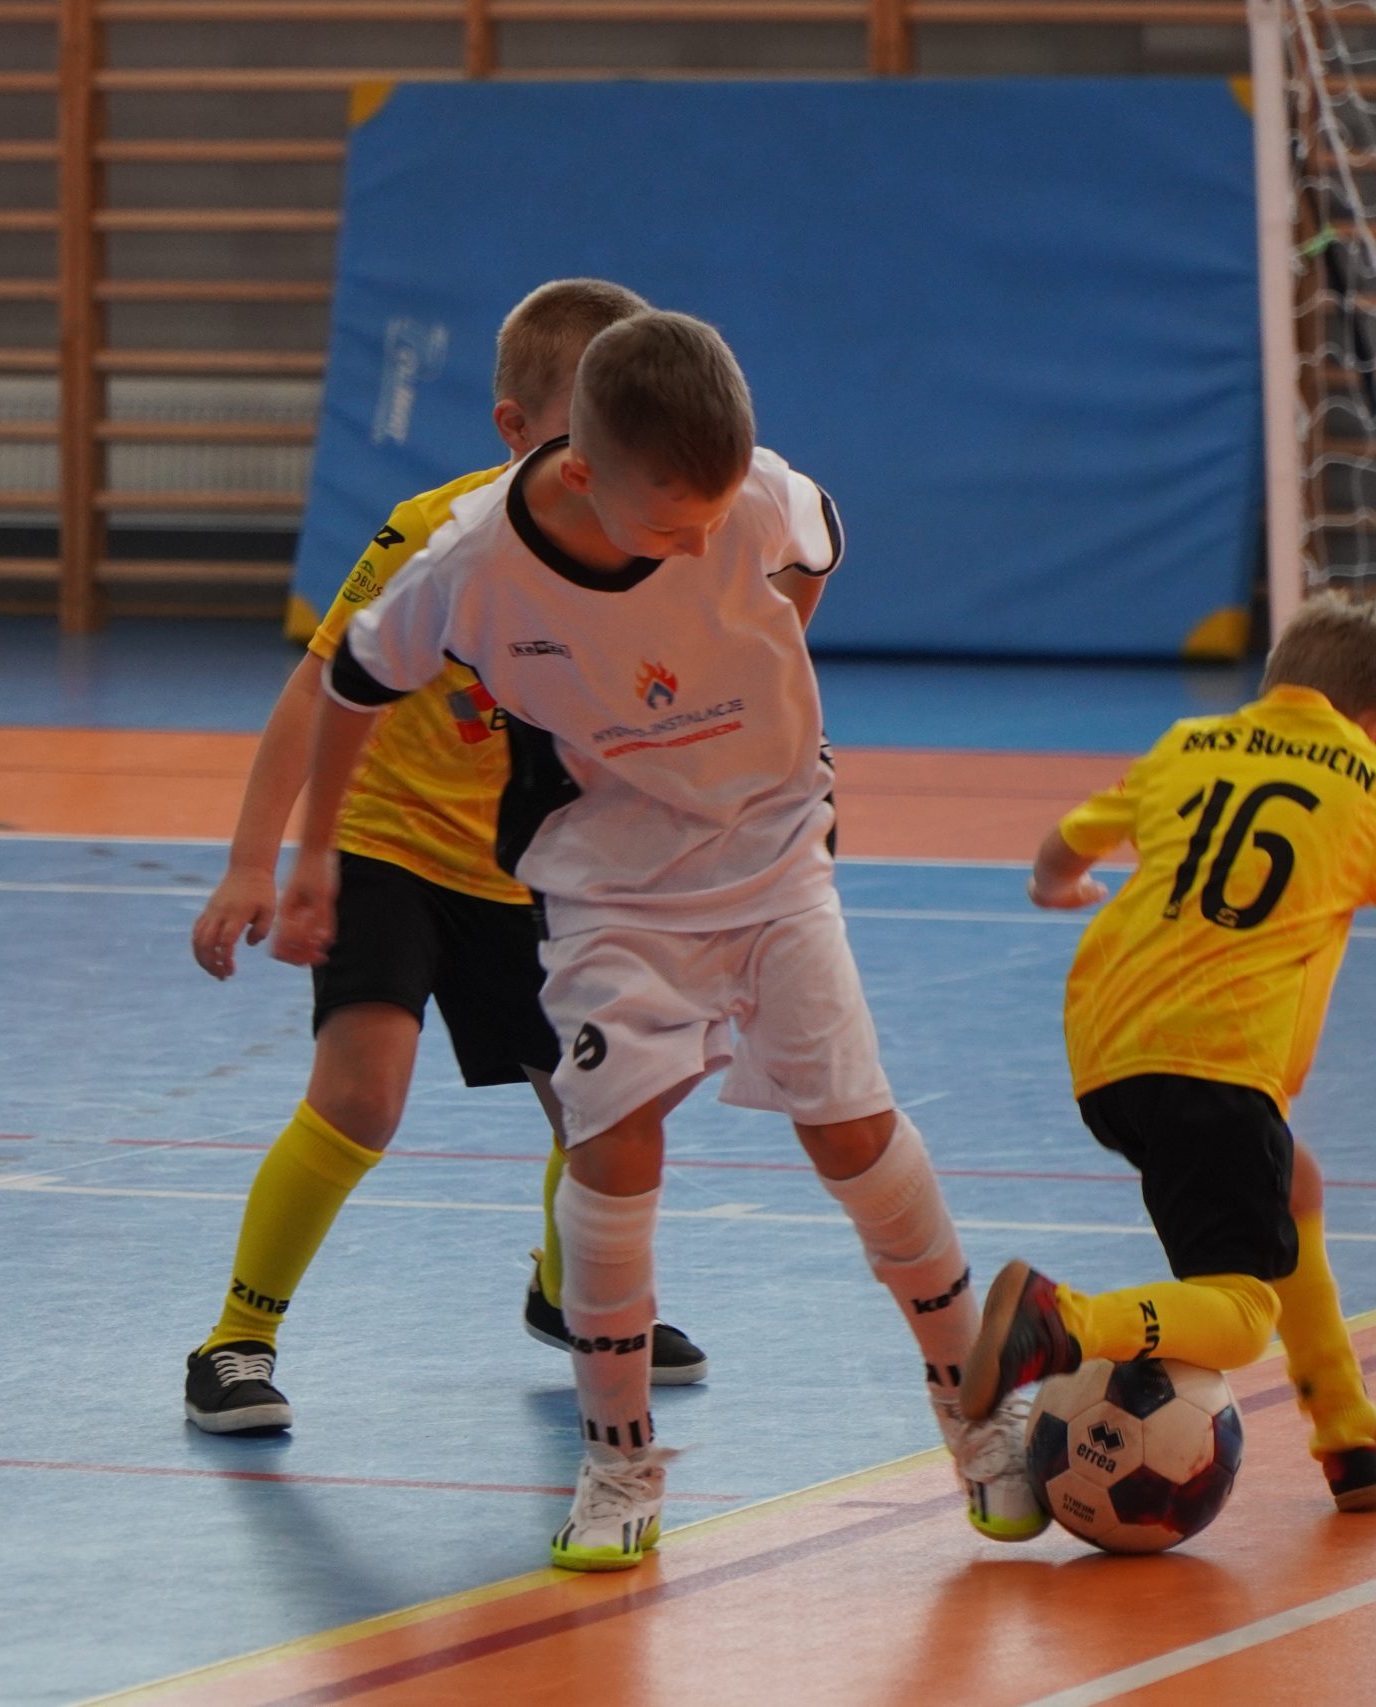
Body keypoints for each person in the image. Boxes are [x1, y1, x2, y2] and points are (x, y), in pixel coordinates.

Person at [272, 310, 1042, 1569]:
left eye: (716, 519)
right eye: (673, 527)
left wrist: (777, 636)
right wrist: (309, 859)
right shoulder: (473, 563)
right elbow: (352, 682)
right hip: (610, 886)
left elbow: (813, 538)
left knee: (851, 1131)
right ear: (582, 471)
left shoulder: (756, 495)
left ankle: (972, 1412)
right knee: (614, 1142)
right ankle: (618, 1463)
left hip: (774, 856)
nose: (699, 545)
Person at [184, 278, 707, 1436]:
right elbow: (315, 689)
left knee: (600, 1107)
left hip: (539, 872)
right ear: (516, 431)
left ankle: (566, 1294)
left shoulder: (660, 550)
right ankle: (234, 1339)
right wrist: (254, 862)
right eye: (589, 434)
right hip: (389, 847)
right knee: (360, 1096)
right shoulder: (435, 535)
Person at [960, 594, 1376, 1509]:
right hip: (1215, 1062)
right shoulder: (1374, 783)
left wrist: (1058, 886)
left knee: (1295, 1182)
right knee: (1244, 1311)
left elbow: (1063, 848)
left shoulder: (1190, 742)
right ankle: (1061, 1321)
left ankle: (1351, 1434)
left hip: (1106, 1046)